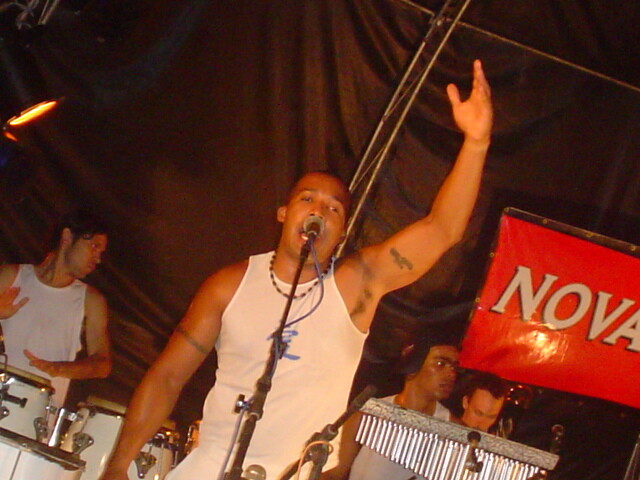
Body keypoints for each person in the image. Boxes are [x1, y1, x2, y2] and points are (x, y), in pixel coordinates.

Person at [101, 59, 493, 480]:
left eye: (334, 208)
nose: (319, 210)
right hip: (211, 465)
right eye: (308, 199)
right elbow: (167, 377)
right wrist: (118, 465)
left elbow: (442, 230)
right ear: (284, 213)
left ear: (342, 232)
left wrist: (476, 144)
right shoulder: (229, 286)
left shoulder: (355, 285)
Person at [0, 210, 112, 408]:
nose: (98, 259)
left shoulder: (91, 300)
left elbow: (102, 364)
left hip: (37, 413)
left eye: (101, 252)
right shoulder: (12, 276)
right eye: (94, 246)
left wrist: (58, 368)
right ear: (67, 236)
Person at [323, 337, 460, 480]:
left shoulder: (456, 433)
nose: (451, 374)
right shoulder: (367, 414)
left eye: (454, 367)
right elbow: (335, 473)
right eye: (440, 364)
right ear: (412, 365)